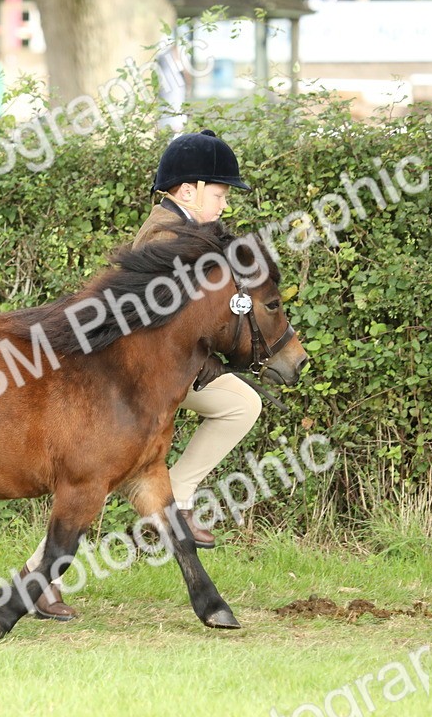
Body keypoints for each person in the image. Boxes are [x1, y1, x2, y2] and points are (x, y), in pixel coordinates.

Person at [25, 129, 261, 621]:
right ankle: (176, 503)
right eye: (218, 194)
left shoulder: (187, 229)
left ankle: (38, 579)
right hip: (137, 379)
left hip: (166, 373)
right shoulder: (166, 234)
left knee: (235, 409)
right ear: (188, 189)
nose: (223, 204)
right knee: (111, 473)